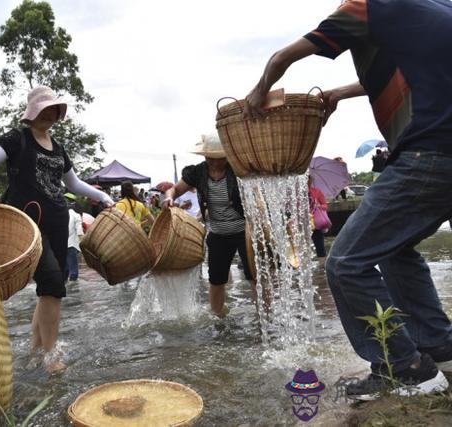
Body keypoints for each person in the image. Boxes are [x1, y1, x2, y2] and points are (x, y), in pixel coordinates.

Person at [245, 0, 452, 399]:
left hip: (430, 152)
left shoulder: (366, 7)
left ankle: (406, 367)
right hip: (443, 153)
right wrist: (342, 91)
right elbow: (409, 71)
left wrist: (259, 93)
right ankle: (440, 347)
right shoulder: (435, 8)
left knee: (345, 263)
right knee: (394, 248)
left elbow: (283, 56)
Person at [0, 85, 113, 373]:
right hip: (28, 224)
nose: (50, 115)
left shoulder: (58, 147)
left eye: (54, 110)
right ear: (33, 111)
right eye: (45, 110)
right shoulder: (16, 139)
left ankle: (35, 350)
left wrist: (103, 196)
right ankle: (51, 355)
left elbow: (73, 184)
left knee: (51, 287)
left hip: (59, 221)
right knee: (51, 281)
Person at [163, 134, 253, 317]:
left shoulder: (238, 170)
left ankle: (264, 318)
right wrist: (169, 198)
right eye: (209, 158)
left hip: (244, 232)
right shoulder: (197, 172)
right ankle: (217, 316)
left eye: (218, 159)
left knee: (254, 277)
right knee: (216, 280)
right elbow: (174, 189)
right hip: (218, 233)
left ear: (227, 156)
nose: (213, 162)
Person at [308, 176, 328, 258]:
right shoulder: (296, 192)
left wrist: (319, 206)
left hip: (316, 222)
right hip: (302, 222)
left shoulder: (317, 192)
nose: (307, 180)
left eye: (309, 178)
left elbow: (325, 206)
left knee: (319, 245)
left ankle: (322, 263)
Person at [66, 200, 84, 283]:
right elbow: (79, 232)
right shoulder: (76, 216)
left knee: (65, 270)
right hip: (71, 245)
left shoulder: (62, 215)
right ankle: (74, 290)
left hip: (61, 245)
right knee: (74, 272)